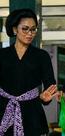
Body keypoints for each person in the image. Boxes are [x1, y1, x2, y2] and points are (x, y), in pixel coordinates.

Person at [0, 8, 57, 136]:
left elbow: (50, 85)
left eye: (33, 29)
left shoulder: (42, 56)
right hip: (3, 111)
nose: (29, 33)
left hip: (32, 114)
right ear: (15, 29)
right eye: (25, 29)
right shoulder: (2, 55)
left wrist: (45, 98)